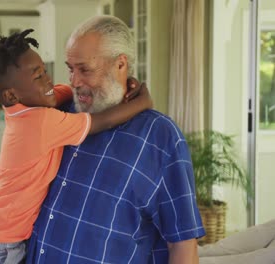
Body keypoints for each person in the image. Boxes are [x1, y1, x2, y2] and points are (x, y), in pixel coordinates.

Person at [26, 15, 205, 264]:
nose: (74, 81)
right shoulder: (57, 114)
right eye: (70, 68)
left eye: (85, 69)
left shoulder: (160, 137)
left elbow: (183, 245)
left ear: (121, 65)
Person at [0, 29, 153, 264]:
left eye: (45, 71)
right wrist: (143, 101)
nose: (48, 80)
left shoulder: (20, 110)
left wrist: (120, 84)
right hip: (1, 241)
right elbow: (102, 121)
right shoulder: (41, 122)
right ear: (11, 95)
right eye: (38, 77)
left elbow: (60, 93)